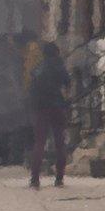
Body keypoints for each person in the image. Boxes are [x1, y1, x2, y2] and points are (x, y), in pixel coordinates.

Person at [28, 41, 70, 189]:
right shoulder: (60, 67)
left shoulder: (38, 68)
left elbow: (31, 90)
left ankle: (35, 178)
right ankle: (59, 177)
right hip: (57, 107)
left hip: (41, 109)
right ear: (57, 53)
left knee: (39, 143)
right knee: (60, 143)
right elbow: (67, 83)